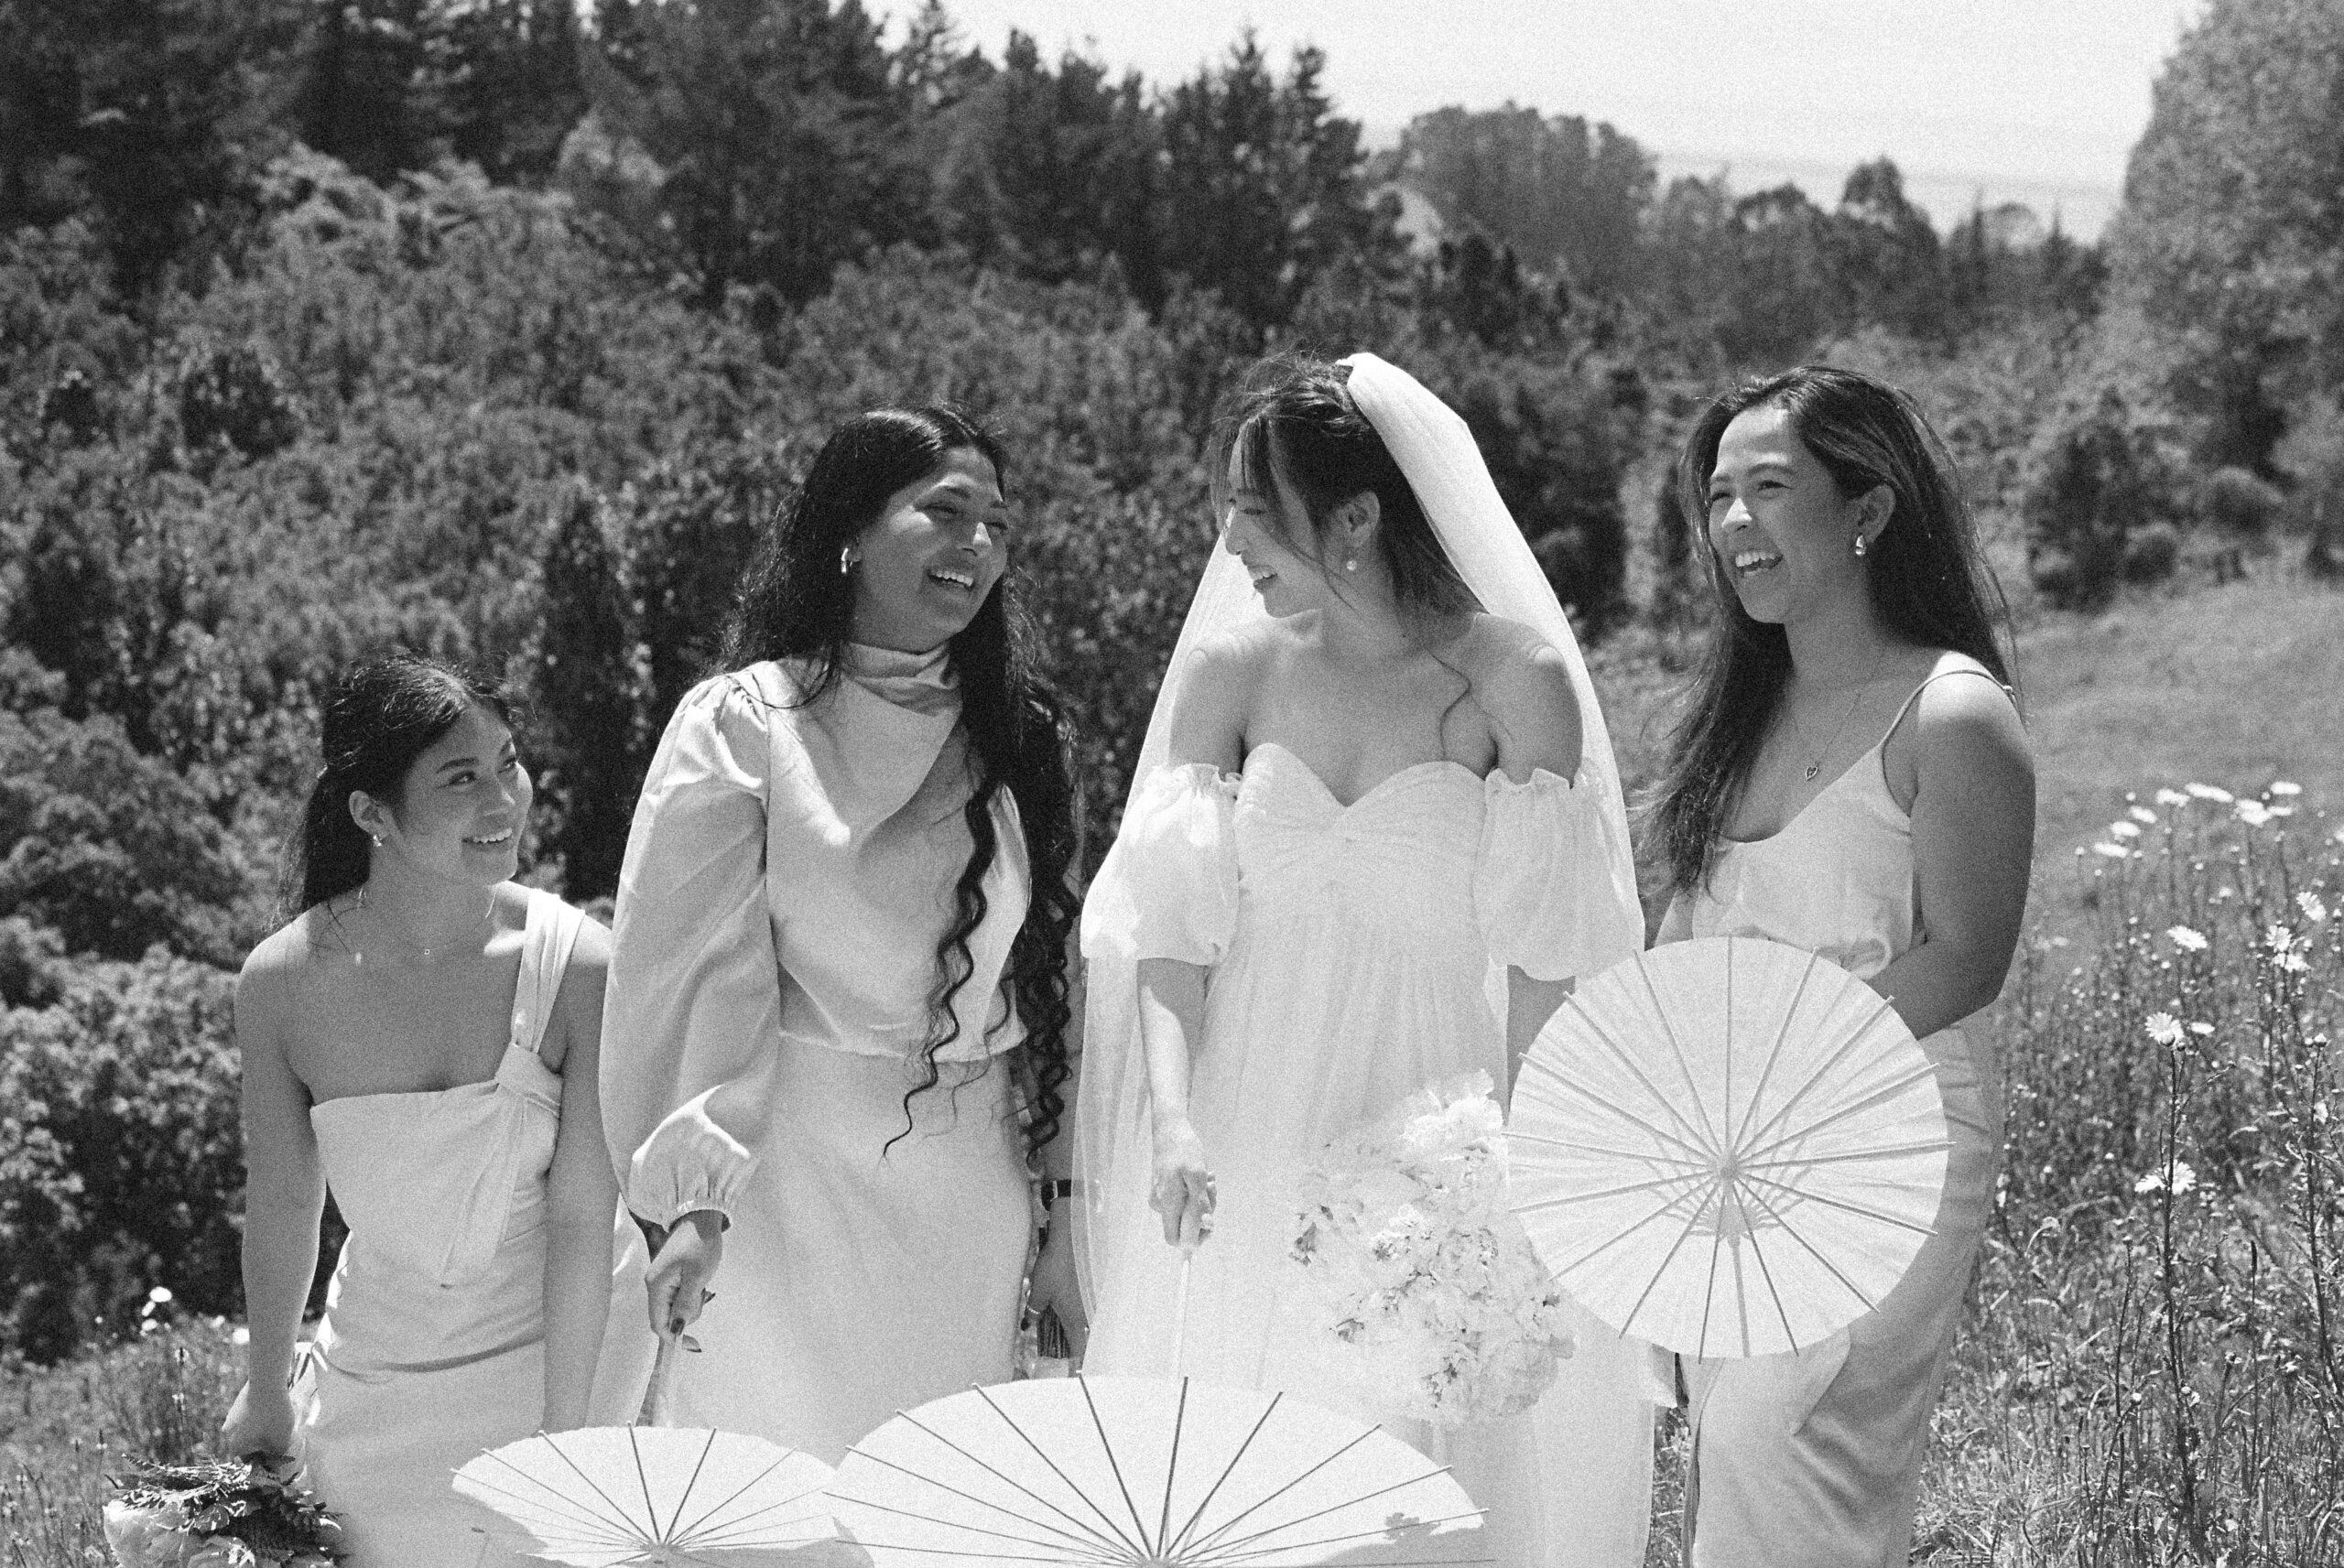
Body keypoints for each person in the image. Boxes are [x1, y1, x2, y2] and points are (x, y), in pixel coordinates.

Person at [1078, 352, 1663, 1568]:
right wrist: (1175, 1119)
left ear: (1354, 517)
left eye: (1254, 505)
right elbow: (1171, 933)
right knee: (1236, 1481)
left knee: (1403, 1487)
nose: (1228, 536)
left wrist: (1507, 1181)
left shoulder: (1512, 680)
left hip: (1423, 1129)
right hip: (1247, 1126)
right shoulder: (1232, 673)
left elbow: (1551, 962)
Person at [601, 405, 1084, 1461]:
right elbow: (690, 973)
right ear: (850, 532)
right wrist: (691, 1205)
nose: (979, 547)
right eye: (945, 512)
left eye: (999, 526)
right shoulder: (741, 723)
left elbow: (1053, 988)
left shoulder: (1023, 740)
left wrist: (1063, 1214)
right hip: (776, 1189)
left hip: (968, 1195)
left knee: (941, 1499)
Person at [1651, 366, 2034, 1567]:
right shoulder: (1732, 719)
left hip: (1893, 1139)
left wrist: (1783, 1053)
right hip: (1733, 1150)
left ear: (1866, 509)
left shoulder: (1952, 712)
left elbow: (1967, 958)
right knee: (1733, 1452)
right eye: (1718, 497)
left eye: (1771, 488)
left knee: (1773, 1437)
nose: (1734, 525)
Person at [220, 654, 635, 1566]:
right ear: (370, 813)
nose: (505, 801)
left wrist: (564, 1450)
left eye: (508, 765)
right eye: (461, 779)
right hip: (376, 1375)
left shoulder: (580, 968)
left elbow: (580, 1218)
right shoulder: (280, 984)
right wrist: (266, 1389)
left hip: (557, 1359)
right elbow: (286, 1199)